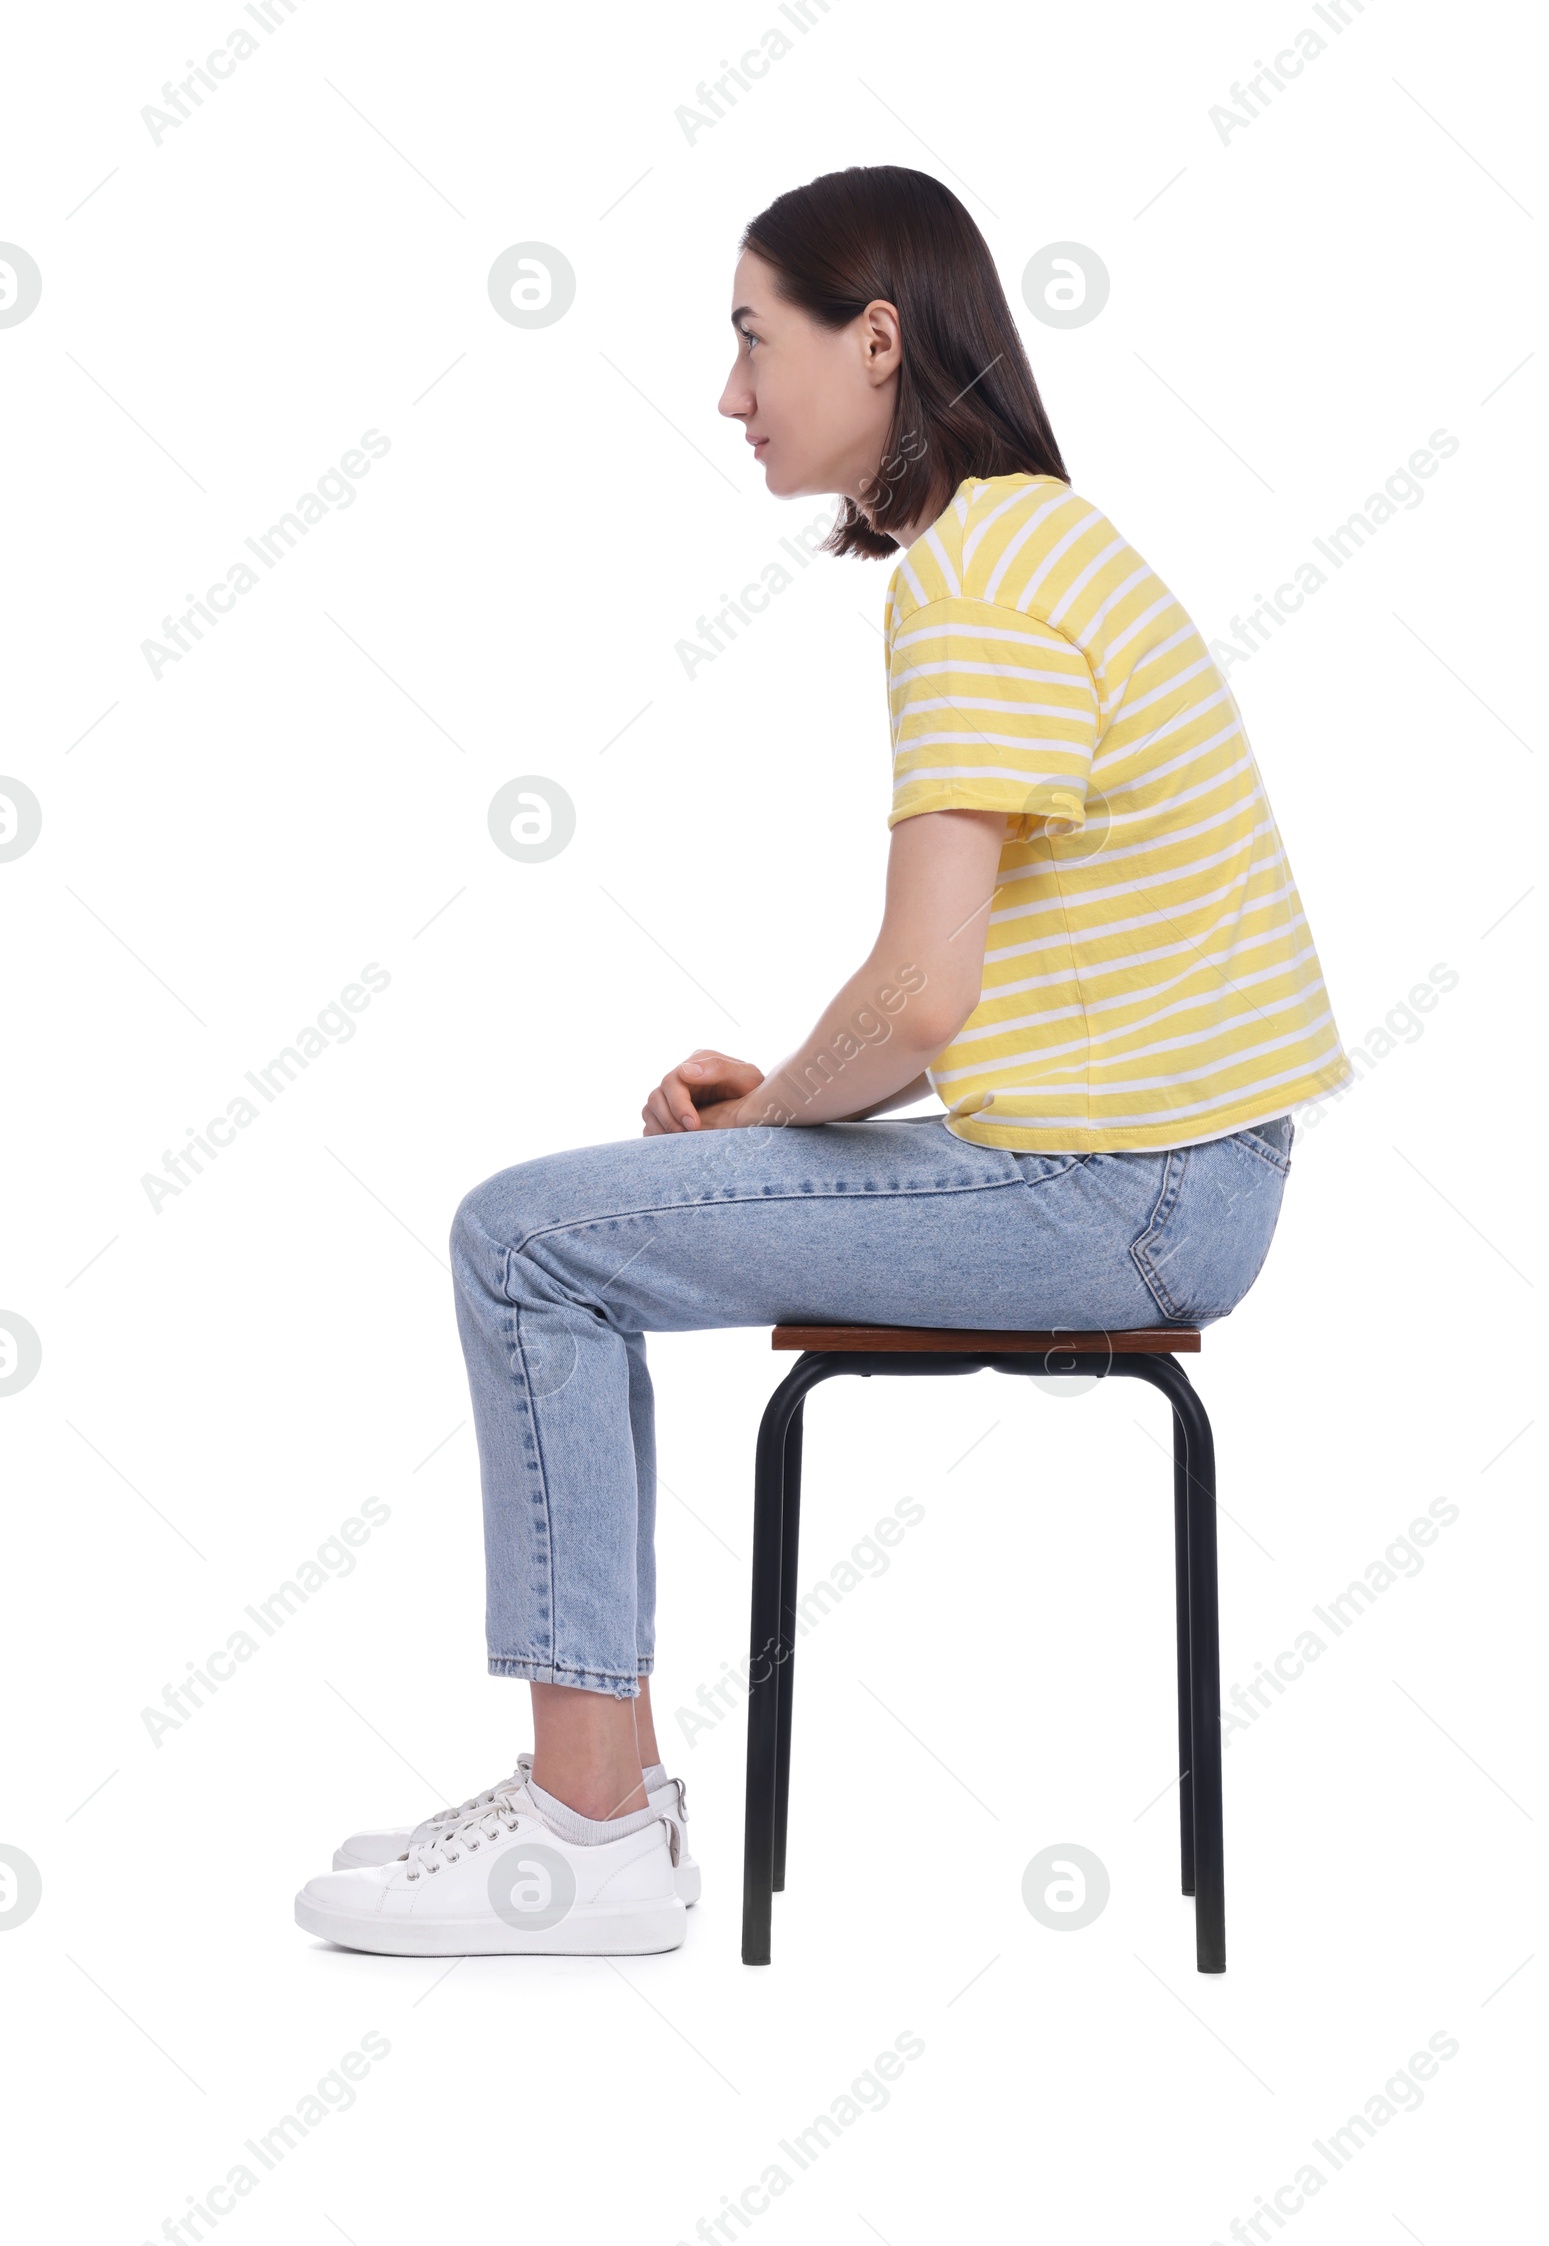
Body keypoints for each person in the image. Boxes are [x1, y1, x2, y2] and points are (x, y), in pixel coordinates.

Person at [295, 164, 1352, 1959]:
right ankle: (599, 1792)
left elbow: (925, 994)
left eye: (748, 337)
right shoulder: (1042, 541)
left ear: (877, 340)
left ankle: (589, 1827)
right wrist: (779, 1098)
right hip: (1173, 1176)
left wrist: (778, 1109)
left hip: (1130, 1204)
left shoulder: (978, 583)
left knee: (525, 1235)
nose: (728, 392)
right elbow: (1062, 999)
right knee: (570, 1225)